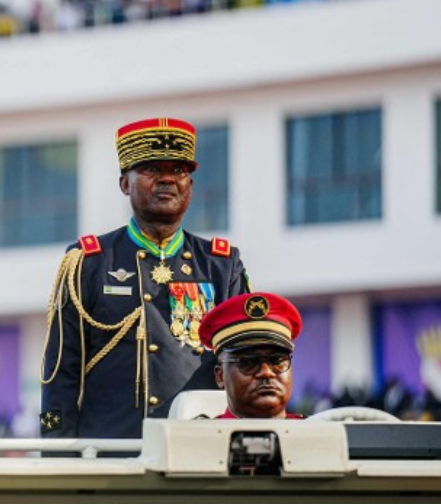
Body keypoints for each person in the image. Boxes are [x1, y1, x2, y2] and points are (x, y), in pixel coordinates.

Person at [40, 117, 252, 439]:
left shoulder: (221, 266)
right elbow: (60, 375)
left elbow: (245, 365)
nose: (168, 179)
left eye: (179, 171)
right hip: (112, 456)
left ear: (190, 187)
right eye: (152, 170)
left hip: (199, 450)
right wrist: (57, 456)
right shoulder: (88, 263)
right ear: (125, 183)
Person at [199, 292, 304, 420]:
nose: (266, 372)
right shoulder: (201, 437)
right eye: (248, 363)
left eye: (277, 361)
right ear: (220, 376)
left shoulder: (318, 434)